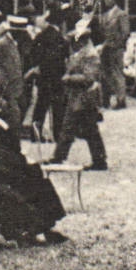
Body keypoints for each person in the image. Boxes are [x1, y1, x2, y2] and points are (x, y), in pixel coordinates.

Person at [0, 86, 68, 246]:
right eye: (2, 100)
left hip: (2, 169)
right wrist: (19, 165)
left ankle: (46, 227)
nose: (5, 103)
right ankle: (24, 232)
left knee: (35, 177)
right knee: (13, 188)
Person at [49, 26, 108, 170]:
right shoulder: (82, 53)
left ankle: (60, 157)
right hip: (78, 97)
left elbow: (88, 78)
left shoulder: (90, 55)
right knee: (84, 129)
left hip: (85, 97)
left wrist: (68, 78)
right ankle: (98, 160)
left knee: (79, 128)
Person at [28, 7, 69, 141]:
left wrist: (38, 67)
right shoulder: (59, 37)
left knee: (41, 106)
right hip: (57, 76)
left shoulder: (41, 36)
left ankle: (35, 134)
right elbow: (64, 55)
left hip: (44, 76)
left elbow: (33, 54)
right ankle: (58, 135)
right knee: (58, 108)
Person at [0, 12, 27, 131]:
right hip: (6, 89)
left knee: (16, 119)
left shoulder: (17, 44)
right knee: (12, 120)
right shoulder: (2, 44)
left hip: (17, 89)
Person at [98, 0, 130, 110]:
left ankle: (121, 100)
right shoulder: (104, 15)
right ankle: (105, 99)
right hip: (106, 48)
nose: (106, 2)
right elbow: (102, 31)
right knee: (105, 73)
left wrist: (117, 44)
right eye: (104, 0)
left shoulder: (121, 14)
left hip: (116, 48)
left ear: (114, 0)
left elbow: (125, 32)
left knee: (117, 73)